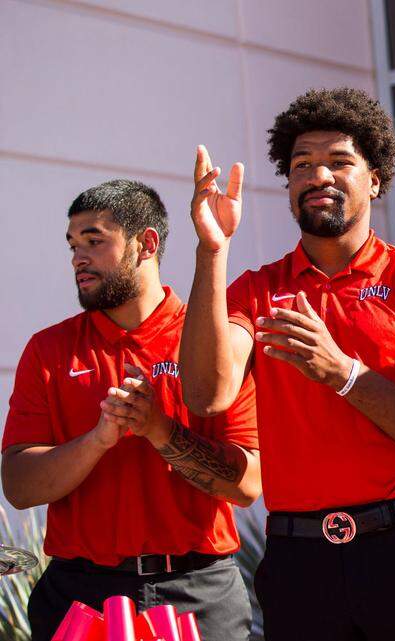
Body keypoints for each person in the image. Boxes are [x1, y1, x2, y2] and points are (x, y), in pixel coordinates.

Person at [179, 87, 395, 641]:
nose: (318, 175)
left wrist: (346, 375)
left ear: (374, 179)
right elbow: (206, 394)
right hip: (298, 564)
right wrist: (211, 250)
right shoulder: (255, 290)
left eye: (339, 161)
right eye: (302, 165)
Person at [1, 179, 261, 641]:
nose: (79, 257)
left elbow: (246, 486)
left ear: (147, 244)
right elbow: (19, 487)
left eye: (95, 241)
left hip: (198, 590)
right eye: (73, 245)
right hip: (79, 593)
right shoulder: (48, 350)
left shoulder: (211, 342)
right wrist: (98, 440)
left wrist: (161, 433)